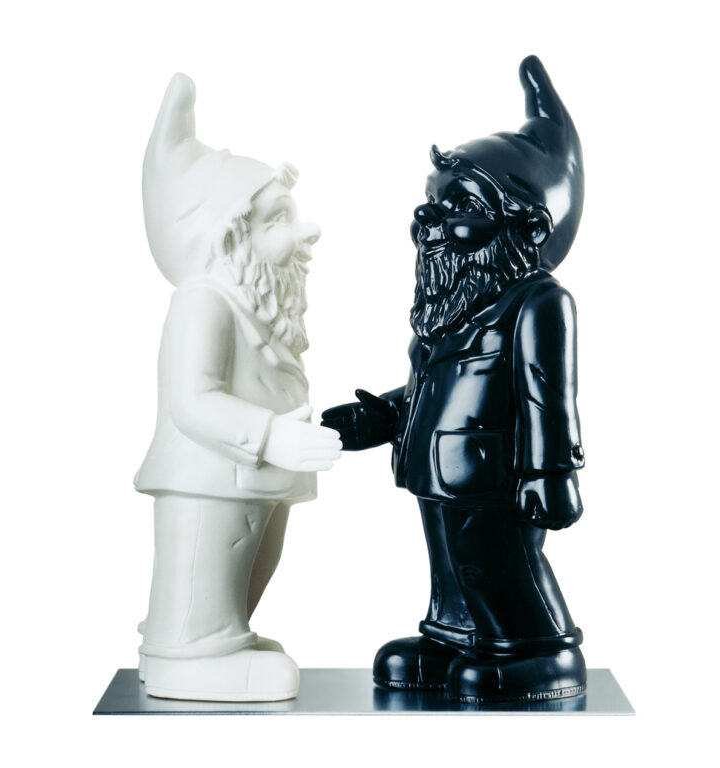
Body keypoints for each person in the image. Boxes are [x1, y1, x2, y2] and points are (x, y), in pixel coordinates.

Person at [322, 56, 586, 703]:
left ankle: (538, 648)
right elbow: (425, 390)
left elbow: (548, 397)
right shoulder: (447, 310)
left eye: (461, 205)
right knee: (449, 565)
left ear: (526, 226)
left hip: (496, 474)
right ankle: (457, 633)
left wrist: (551, 475)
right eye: (433, 202)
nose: (432, 220)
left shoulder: (538, 302)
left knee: (497, 562)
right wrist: (381, 418)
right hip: (438, 468)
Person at [134, 73, 341, 702]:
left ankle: (224, 638)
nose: (306, 233)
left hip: (255, 480)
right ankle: (184, 654)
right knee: (205, 568)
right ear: (230, 237)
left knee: (248, 568)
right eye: (279, 219)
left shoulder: (254, 305)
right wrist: (271, 435)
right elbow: (190, 400)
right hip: (209, 480)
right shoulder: (203, 301)